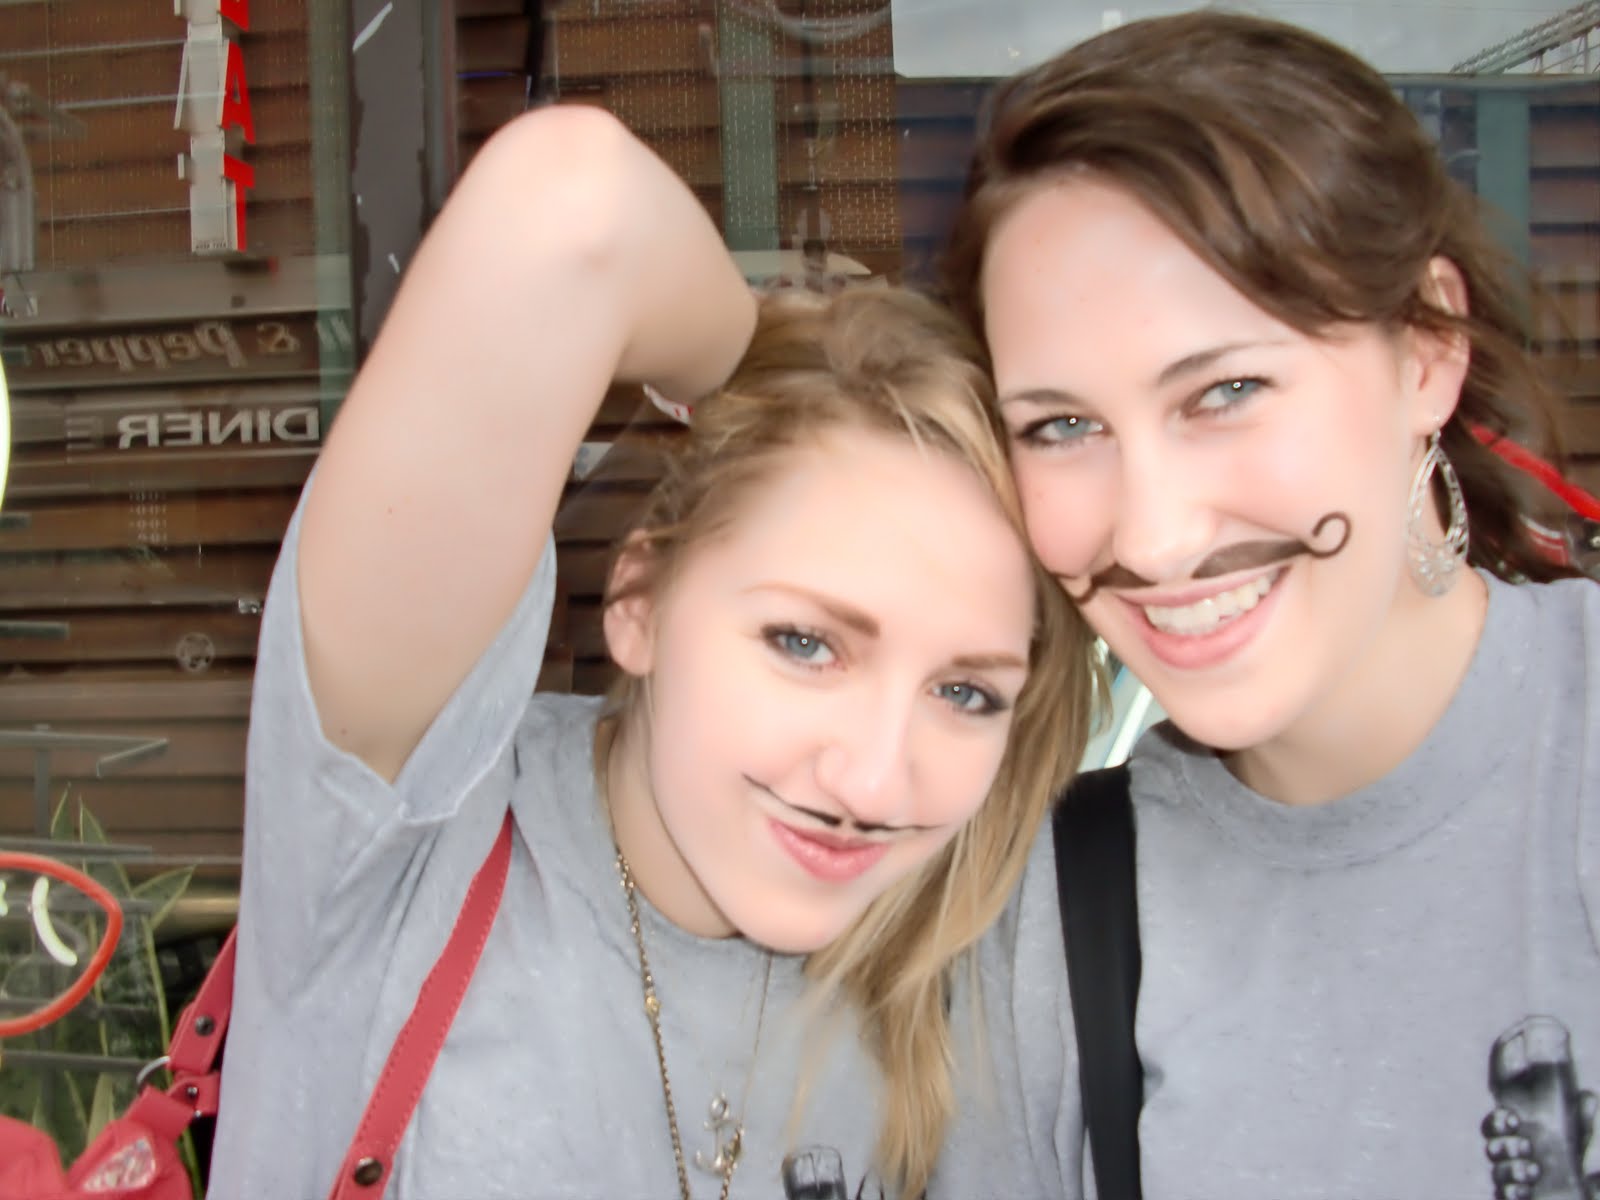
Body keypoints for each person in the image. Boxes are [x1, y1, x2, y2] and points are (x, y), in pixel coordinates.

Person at [207, 104, 1096, 1200]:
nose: (872, 785)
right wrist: (781, 378)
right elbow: (570, 205)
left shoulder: (974, 969)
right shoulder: (407, 833)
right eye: (805, 642)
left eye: (964, 691)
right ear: (638, 601)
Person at [929, 11, 1600, 1200]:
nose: (1152, 538)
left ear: (1426, 352)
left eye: (1226, 390)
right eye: (1062, 425)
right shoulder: (1043, 924)